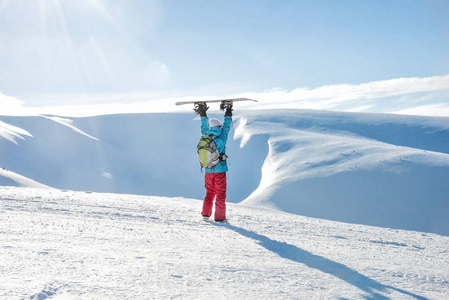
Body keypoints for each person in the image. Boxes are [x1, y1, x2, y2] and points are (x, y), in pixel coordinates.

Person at [195, 102, 233, 222]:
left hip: (207, 169)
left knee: (209, 192)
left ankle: (206, 215)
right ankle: (220, 218)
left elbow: (203, 125)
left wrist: (203, 112)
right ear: (219, 127)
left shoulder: (205, 134)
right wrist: (228, 111)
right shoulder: (222, 137)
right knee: (220, 193)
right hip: (220, 169)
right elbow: (227, 126)